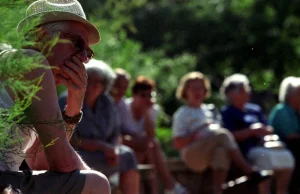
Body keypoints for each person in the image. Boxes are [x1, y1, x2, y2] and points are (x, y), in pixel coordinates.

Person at [0, 0, 109, 193]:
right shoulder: (32, 65)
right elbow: (63, 165)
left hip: (6, 180)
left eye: (88, 52)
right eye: (77, 44)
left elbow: (40, 163)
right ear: (42, 37)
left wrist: (74, 103)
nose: (83, 58)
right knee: (98, 183)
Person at [172, 72, 268, 194]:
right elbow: (177, 144)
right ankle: (249, 170)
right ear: (185, 91)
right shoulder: (182, 114)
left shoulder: (210, 110)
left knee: (221, 151)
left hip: (210, 153)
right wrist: (196, 135)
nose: (197, 92)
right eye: (194, 88)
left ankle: (218, 191)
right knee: (222, 134)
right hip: (192, 156)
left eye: (200, 88)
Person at [58, 59, 140, 194]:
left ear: (105, 85)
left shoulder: (107, 103)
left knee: (127, 155)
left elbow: (115, 133)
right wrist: (101, 146)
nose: (96, 85)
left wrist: (114, 150)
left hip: (104, 155)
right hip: (76, 153)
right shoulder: (66, 99)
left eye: (100, 82)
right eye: (91, 81)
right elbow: (66, 138)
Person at [111, 72, 188, 194]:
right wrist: (136, 139)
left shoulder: (153, 110)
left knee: (150, 148)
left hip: (143, 148)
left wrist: (146, 113)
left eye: (149, 95)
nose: (147, 99)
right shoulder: (123, 106)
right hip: (126, 144)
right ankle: (170, 185)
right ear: (134, 95)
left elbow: (151, 135)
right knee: (150, 146)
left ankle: (156, 189)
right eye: (142, 95)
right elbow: (118, 134)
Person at [220, 74, 294, 194]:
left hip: (265, 146)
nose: (247, 92)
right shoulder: (228, 112)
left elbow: (269, 128)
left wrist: (264, 130)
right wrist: (251, 131)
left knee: (286, 156)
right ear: (231, 94)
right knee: (264, 158)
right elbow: (229, 135)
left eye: (247, 89)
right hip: (247, 151)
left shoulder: (255, 109)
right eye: (243, 90)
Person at [269, 76, 300, 194]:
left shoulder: (297, 111)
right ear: (291, 95)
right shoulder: (282, 110)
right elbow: (290, 135)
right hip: (285, 146)